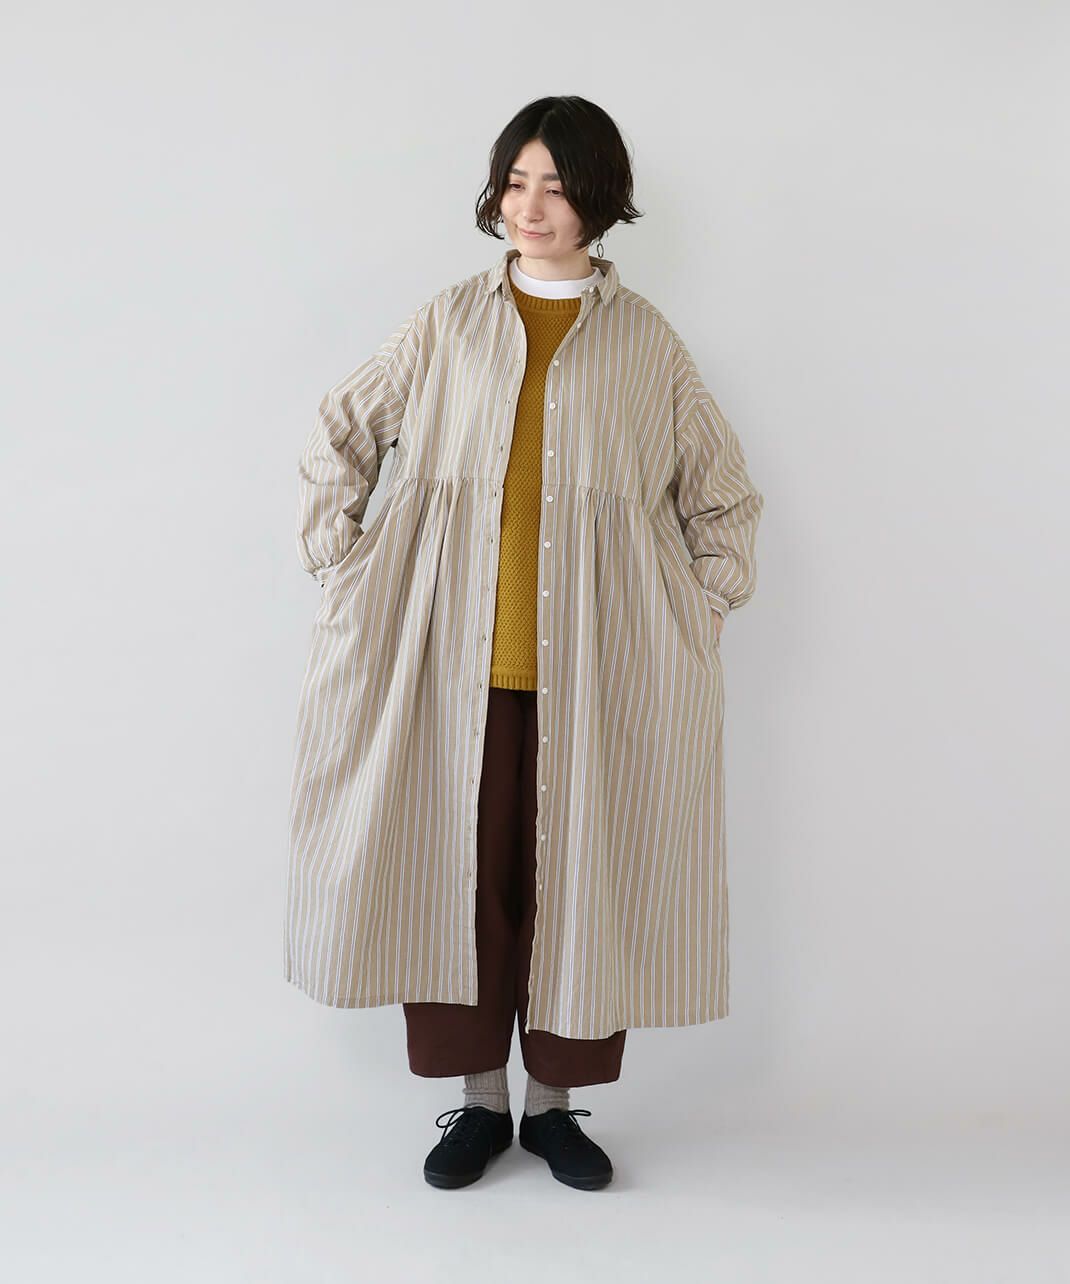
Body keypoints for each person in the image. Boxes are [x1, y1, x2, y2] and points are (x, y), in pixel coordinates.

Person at [286, 95, 765, 1192]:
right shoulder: (445, 324)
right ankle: (479, 1106)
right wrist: (341, 566)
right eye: (515, 182)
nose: (530, 207)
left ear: (598, 198)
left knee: (576, 890)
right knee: (456, 885)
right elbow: (339, 433)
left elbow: (722, 495)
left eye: (554, 185)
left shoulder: (646, 345)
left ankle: (553, 1109)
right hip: (445, 668)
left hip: (596, 674)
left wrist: (705, 601)